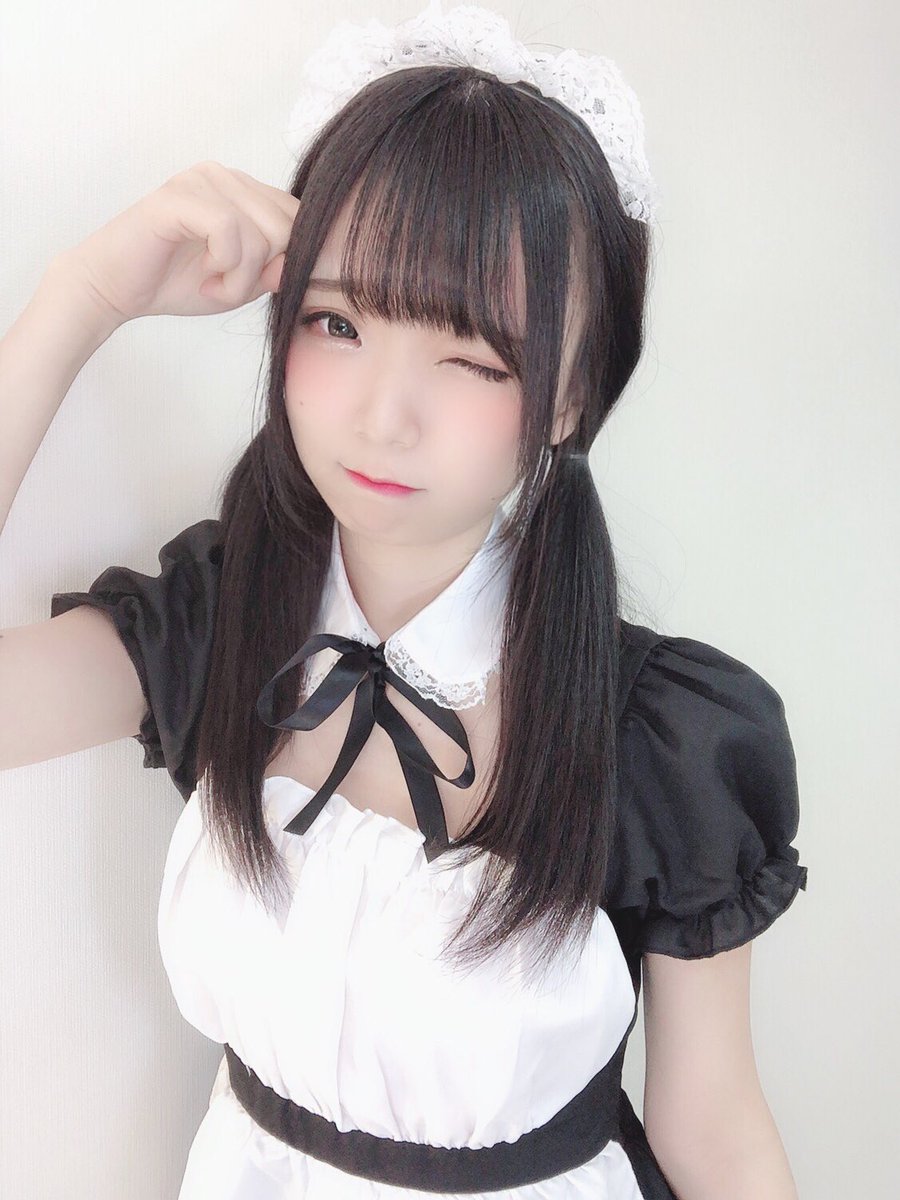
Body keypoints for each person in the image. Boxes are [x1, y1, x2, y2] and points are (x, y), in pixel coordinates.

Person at [0, 3, 808, 1197]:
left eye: (473, 358)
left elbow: (717, 1135)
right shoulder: (221, 624)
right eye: (338, 322)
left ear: (572, 398)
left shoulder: (660, 737)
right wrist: (79, 301)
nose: (383, 416)